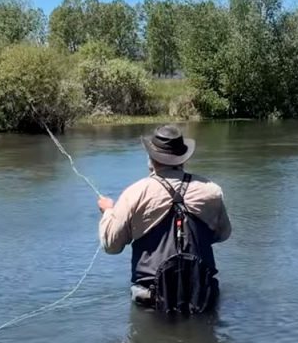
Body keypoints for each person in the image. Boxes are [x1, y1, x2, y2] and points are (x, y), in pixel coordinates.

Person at [97, 124, 231, 313]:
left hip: (151, 299)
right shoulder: (212, 191)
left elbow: (111, 246)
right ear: (182, 158)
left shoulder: (135, 193)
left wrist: (109, 212)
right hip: (201, 295)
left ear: (151, 158)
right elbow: (223, 234)